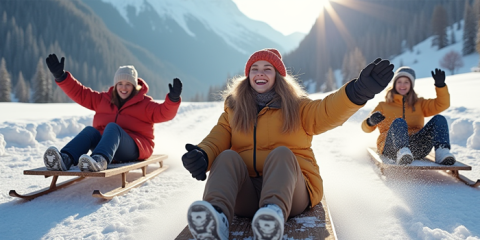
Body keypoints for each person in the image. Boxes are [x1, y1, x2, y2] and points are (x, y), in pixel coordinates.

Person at [181, 48, 395, 240]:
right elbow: (217, 138)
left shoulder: (298, 107)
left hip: (292, 192)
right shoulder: (234, 109)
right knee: (226, 156)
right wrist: (203, 155)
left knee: (282, 153)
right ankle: (216, 219)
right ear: (248, 76)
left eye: (268, 68)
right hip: (246, 195)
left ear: (278, 76)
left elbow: (326, 112)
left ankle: (271, 216)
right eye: (254, 69)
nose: (260, 73)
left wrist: (357, 92)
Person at [42, 53, 182, 172]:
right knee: (90, 131)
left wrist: (173, 100)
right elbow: (81, 93)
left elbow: (164, 113)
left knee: (112, 127)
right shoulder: (104, 99)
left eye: (128, 84)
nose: (123, 88)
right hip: (106, 146)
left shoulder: (145, 104)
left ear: (134, 86)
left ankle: (99, 160)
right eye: (120, 84)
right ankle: (65, 158)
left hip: (134, 147)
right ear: (115, 85)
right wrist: (61, 76)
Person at [362, 66, 455, 165]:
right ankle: (402, 151)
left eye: (406, 82)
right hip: (391, 148)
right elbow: (366, 129)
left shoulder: (419, 103)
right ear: (394, 84)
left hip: (417, 147)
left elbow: (442, 104)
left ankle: (442, 152)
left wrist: (440, 86)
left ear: (411, 85)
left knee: (439, 119)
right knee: (399, 122)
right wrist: (370, 121)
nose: (402, 85)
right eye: (399, 82)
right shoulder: (383, 106)